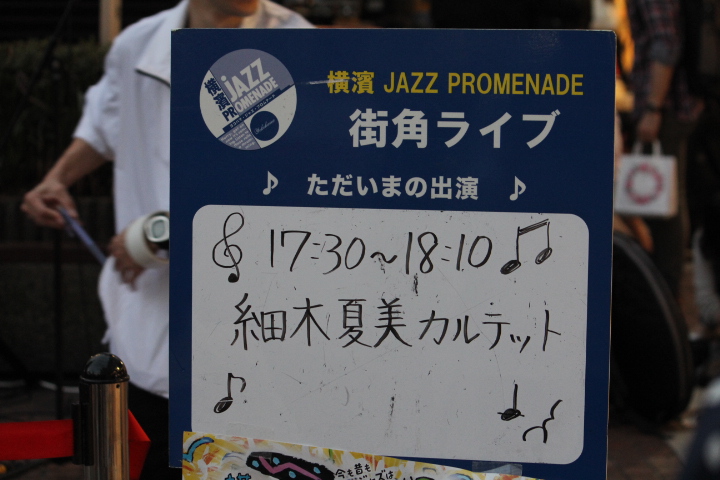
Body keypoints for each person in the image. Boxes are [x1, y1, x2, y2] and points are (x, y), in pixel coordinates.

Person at [20, 1, 312, 478]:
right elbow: (103, 127)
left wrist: (157, 235)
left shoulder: (299, 42)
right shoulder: (138, 44)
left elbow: (301, 177)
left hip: (256, 327)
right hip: (150, 327)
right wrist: (57, 179)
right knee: (150, 457)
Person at [627, 0, 703, 297]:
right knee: (669, 198)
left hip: (666, 105)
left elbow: (666, 41)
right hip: (676, 104)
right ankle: (665, 288)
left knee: (665, 203)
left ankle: (665, 291)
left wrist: (653, 107)